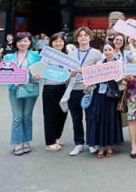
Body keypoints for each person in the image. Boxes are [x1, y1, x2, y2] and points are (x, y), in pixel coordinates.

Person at [66, 27, 103, 156]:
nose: (83, 37)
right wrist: (70, 74)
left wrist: (90, 80)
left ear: (90, 37)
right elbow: (65, 74)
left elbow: (100, 72)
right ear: (77, 38)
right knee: (76, 118)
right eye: (80, 35)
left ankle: (92, 142)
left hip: (89, 90)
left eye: (85, 35)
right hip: (74, 89)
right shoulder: (71, 54)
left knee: (91, 117)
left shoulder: (97, 53)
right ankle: (79, 143)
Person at [4, 32, 41, 155]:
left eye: (25, 40)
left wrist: (37, 76)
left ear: (30, 42)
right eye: (20, 41)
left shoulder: (36, 55)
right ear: (15, 43)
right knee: (17, 117)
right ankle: (17, 142)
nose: (23, 43)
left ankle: (26, 141)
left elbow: (40, 71)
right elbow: (4, 73)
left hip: (30, 88)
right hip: (14, 89)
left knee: (27, 116)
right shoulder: (8, 57)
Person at [85, 41, 124, 158]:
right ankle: (101, 146)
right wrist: (88, 83)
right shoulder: (99, 63)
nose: (107, 52)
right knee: (99, 119)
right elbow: (93, 78)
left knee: (111, 120)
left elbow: (121, 81)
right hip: (99, 95)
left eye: (110, 49)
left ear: (114, 50)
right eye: (105, 50)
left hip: (112, 96)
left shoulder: (118, 64)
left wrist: (120, 78)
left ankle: (110, 146)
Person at [41, 33, 70, 152]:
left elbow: (70, 70)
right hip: (50, 88)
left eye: (60, 41)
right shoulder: (46, 56)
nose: (58, 43)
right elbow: (41, 69)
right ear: (51, 43)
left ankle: (57, 137)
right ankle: (50, 142)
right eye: (55, 41)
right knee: (50, 115)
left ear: (64, 43)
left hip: (64, 87)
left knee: (62, 113)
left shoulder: (67, 56)